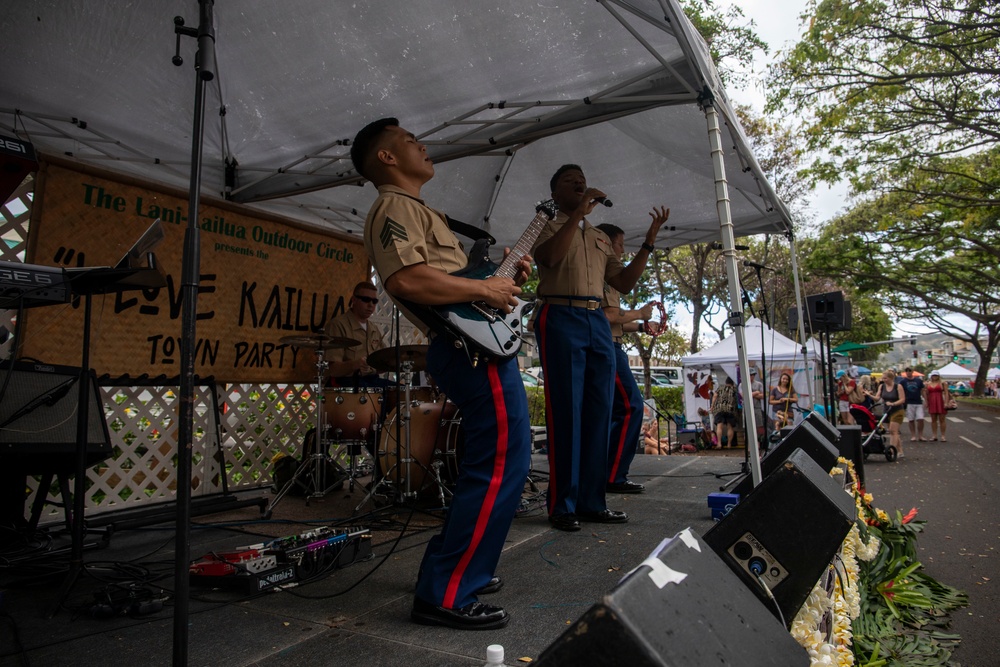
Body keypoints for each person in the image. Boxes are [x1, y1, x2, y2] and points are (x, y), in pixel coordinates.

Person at [351, 117, 532, 630]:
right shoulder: (394, 206)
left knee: (495, 465)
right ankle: (447, 591)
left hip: (472, 345)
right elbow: (407, 279)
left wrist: (496, 280)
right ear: (386, 158)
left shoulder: (418, 209)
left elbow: (454, 282)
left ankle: (456, 569)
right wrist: (485, 291)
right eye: (411, 142)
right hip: (470, 352)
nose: (423, 147)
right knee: (498, 468)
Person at [532, 163, 669, 532]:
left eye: (583, 179)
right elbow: (548, 259)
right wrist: (577, 213)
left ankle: (593, 501)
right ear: (555, 191)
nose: (579, 182)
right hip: (560, 313)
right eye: (569, 180)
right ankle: (562, 504)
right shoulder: (546, 222)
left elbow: (622, 282)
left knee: (599, 413)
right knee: (567, 413)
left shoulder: (598, 237)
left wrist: (649, 242)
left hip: (596, 321)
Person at [597, 222, 658, 494]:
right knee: (631, 406)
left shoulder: (607, 276)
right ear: (607, 244)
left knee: (618, 410)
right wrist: (640, 314)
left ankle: (609, 473)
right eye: (620, 244)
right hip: (608, 347)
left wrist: (644, 326)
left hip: (613, 343)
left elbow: (615, 320)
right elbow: (608, 316)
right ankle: (614, 475)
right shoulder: (600, 275)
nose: (623, 250)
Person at [324, 281, 385, 385]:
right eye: (366, 300)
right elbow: (333, 370)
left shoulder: (374, 329)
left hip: (372, 379)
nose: (371, 305)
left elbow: (384, 363)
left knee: (403, 393)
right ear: (354, 300)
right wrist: (355, 364)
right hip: (347, 382)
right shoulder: (338, 325)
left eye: (374, 301)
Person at [871, 368, 906, 458]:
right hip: (887, 411)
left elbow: (902, 399)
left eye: (885, 378)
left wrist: (893, 403)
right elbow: (877, 398)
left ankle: (892, 450)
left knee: (893, 430)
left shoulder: (898, 386)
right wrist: (869, 395)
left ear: (891, 378)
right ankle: (900, 451)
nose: (883, 380)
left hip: (897, 410)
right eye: (883, 378)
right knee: (892, 431)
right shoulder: (882, 386)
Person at [898, 367, 926, 442]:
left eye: (909, 371)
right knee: (911, 420)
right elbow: (900, 391)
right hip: (909, 402)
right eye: (906, 371)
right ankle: (913, 435)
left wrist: (926, 400)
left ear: (912, 372)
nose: (908, 372)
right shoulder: (903, 382)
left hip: (918, 402)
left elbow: (922, 390)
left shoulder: (918, 381)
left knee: (920, 419)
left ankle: (920, 435)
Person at [923, 370, 951, 442]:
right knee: (933, 420)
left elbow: (946, 393)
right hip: (932, 401)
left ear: (938, 376)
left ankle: (943, 435)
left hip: (940, 401)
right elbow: (926, 393)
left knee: (942, 419)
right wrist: (926, 402)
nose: (934, 377)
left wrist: (946, 402)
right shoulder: (928, 384)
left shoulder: (943, 383)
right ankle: (934, 435)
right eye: (933, 375)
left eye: (936, 375)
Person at [711, 376, 739, 449]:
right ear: (732, 383)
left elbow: (715, 396)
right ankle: (729, 444)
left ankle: (719, 444)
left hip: (720, 409)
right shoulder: (734, 389)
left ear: (726, 382)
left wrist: (712, 405)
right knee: (730, 427)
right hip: (731, 409)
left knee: (719, 426)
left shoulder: (720, 387)